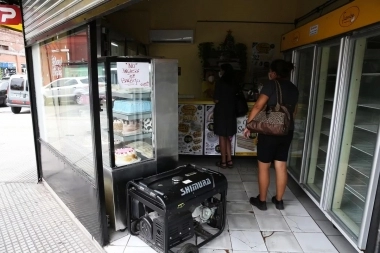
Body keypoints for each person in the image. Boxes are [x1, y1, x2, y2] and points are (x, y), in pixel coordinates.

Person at [243, 59, 299, 210]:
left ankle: (262, 201)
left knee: (264, 166)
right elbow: (294, 112)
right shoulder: (294, 88)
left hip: (269, 131)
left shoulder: (271, 85)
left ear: (273, 72)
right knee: (281, 164)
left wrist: (249, 125)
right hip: (287, 130)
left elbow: (258, 105)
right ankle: (279, 201)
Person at [213, 64, 238, 169]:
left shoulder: (220, 82)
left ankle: (223, 162)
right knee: (228, 137)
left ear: (223, 71)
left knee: (222, 137)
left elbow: (216, 99)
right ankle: (230, 161)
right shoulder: (235, 83)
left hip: (221, 112)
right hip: (231, 113)